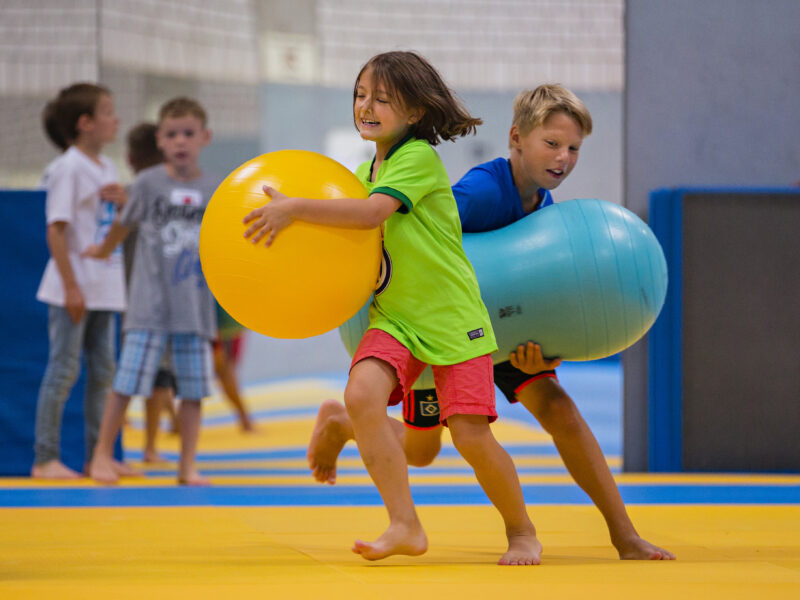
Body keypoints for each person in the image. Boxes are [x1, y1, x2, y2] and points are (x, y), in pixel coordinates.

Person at [307, 84, 676, 561]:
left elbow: (542, 285)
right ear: (516, 137)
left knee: (560, 410)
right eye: (552, 143)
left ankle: (624, 535)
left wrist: (551, 342)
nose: (563, 157)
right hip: (439, 321)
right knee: (422, 451)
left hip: (500, 329)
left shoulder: (542, 205)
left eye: (573, 149)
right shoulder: (481, 191)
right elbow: (415, 232)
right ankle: (342, 422)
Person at [244, 51, 540, 565]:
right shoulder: (365, 169)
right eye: (361, 95)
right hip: (397, 318)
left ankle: (521, 531)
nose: (367, 106)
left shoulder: (417, 160)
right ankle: (404, 523)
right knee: (362, 393)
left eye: (383, 99)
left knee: (469, 436)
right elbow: (348, 233)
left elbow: (369, 215)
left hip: (451, 319)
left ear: (417, 112)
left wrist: (292, 209)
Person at [84, 97, 219, 486]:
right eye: (172, 134)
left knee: (192, 391)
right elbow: (123, 227)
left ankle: (187, 464)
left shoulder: (214, 188)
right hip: (149, 305)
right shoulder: (146, 184)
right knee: (126, 382)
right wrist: (102, 251)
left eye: (189, 134)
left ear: (204, 137)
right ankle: (101, 455)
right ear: (159, 140)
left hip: (194, 307)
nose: (181, 141)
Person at [32, 83, 129, 480]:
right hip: (73, 286)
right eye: (107, 111)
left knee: (104, 373)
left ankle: (97, 455)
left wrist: (126, 201)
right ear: (85, 123)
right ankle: (45, 458)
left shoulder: (107, 167)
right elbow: (57, 231)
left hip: (104, 284)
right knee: (64, 369)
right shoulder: (68, 167)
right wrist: (71, 287)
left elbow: (118, 224)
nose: (115, 118)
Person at [123, 122, 179, 463]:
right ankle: (150, 446)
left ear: (130, 158)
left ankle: (147, 444)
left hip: (128, 295)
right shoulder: (154, 195)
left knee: (138, 372)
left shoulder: (130, 195)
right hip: (151, 296)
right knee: (157, 374)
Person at [213, 302, 255, 432]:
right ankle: (245, 419)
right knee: (224, 370)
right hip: (226, 319)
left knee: (224, 370)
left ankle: (245, 419)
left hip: (223, 322)